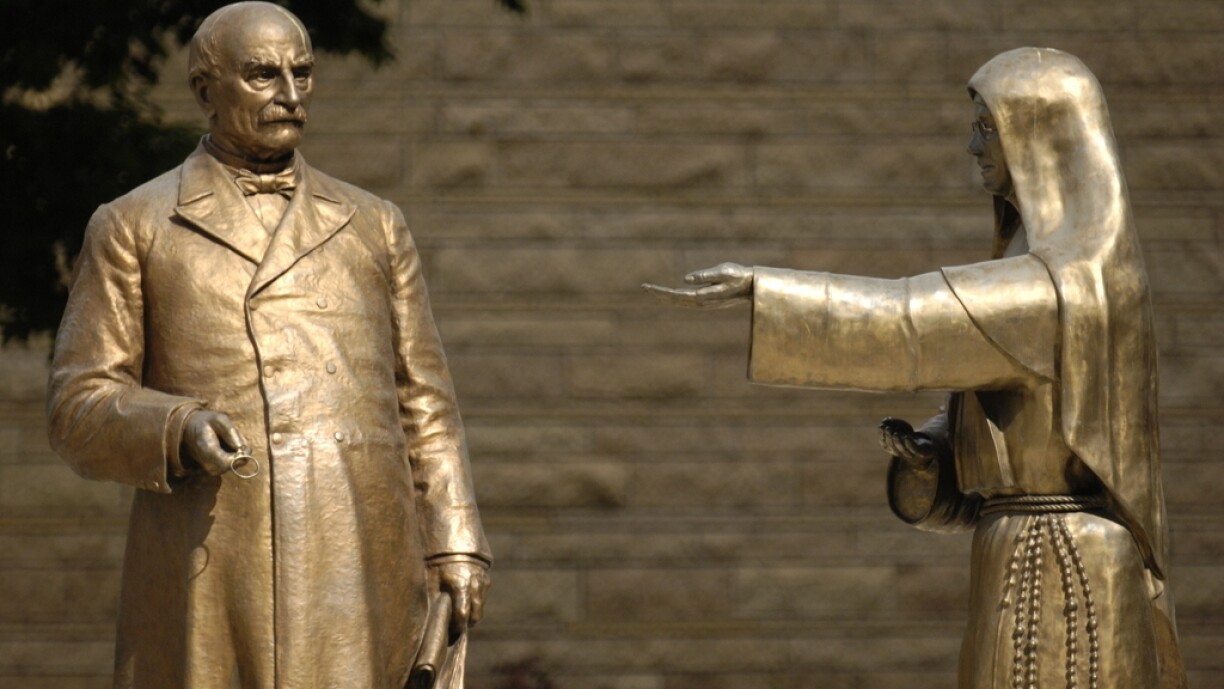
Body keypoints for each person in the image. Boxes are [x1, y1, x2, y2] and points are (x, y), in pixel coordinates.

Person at [645, 47, 1186, 689]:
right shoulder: (1054, 271)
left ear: (1039, 137)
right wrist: (930, 456)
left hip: (1063, 569)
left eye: (988, 127)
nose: (973, 145)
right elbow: (983, 440)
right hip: (1024, 553)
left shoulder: (1064, 290)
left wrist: (765, 288)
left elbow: (905, 323)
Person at [46, 3, 491, 688]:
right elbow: (77, 404)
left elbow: (425, 401)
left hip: (356, 549)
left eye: (302, 73)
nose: (289, 93)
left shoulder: (374, 224)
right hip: (217, 552)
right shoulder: (135, 224)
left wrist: (457, 537)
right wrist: (177, 424)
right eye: (262, 76)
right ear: (206, 90)